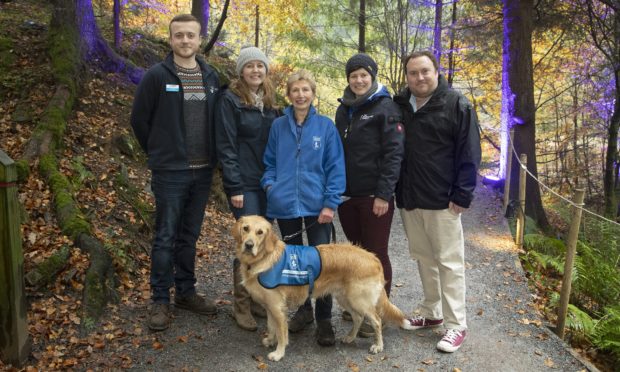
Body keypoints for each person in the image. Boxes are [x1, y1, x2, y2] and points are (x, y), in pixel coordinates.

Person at [130, 14, 221, 331]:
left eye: (191, 35)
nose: (185, 40)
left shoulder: (211, 77)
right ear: (170, 39)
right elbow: (139, 121)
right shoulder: (156, 76)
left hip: (203, 173)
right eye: (179, 35)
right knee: (166, 236)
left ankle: (185, 292)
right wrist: (158, 152)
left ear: (199, 40)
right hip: (170, 172)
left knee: (189, 236)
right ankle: (159, 299)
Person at [393, 51, 481, 352]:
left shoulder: (456, 104)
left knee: (449, 263)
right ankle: (432, 312)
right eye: (413, 73)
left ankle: (457, 324)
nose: (419, 78)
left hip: (443, 200)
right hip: (410, 197)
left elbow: (470, 152)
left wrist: (463, 193)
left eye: (425, 71)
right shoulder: (401, 105)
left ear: (436, 71)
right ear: (407, 76)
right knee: (424, 257)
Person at [261, 70, 346, 346]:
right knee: (291, 263)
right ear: (289, 95)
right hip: (284, 205)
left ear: (313, 93)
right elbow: (270, 161)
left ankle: (324, 320)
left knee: (322, 263)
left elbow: (335, 167)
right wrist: (270, 185)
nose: (300, 95)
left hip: (317, 206)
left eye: (305, 90)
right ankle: (303, 311)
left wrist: (330, 203)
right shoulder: (278, 126)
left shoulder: (325, 126)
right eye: (295, 90)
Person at [334, 53, 404, 337]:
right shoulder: (344, 109)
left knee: (376, 255)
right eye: (354, 76)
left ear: (372, 76)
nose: (359, 80)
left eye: (364, 75)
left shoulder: (385, 107)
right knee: (357, 254)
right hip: (348, 196)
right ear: (348, 79)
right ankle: (359, 305)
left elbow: (394, 153)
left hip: (375, 195)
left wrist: (384, 194)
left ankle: (378, 311)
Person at [215, 46, 279, 331]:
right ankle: (240, 305)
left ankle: (256, 298)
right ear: (241, 70)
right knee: (248, 243)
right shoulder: (230, 100)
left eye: (260, 66)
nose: (255, 70)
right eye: (249, 65)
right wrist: (234, 185)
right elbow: (226, 146)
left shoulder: (270, 101)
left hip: (268, 183)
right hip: (244, 184)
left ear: (266, 70)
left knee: (264, 243)